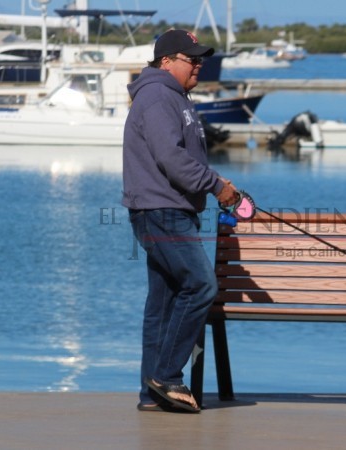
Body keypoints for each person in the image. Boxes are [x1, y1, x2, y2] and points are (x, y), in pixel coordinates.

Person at [122, 29, 239, 413]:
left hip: (172, 210)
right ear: (166, 61)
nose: (199, 65)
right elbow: (171, 160)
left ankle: (150, 394)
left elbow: (183, 158)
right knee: (202, 285)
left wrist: (219, 184)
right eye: (192, 59)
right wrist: (216, 185)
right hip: (161, 211)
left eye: (200, 58)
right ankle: (168, 378)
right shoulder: (157, 96)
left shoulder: (173, 96)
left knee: (165, 300)